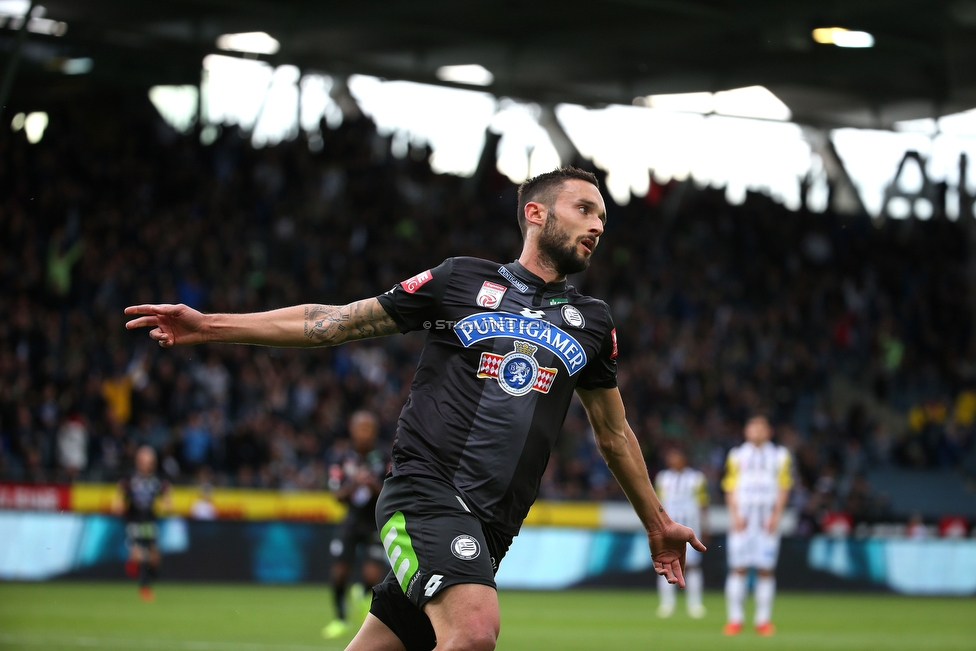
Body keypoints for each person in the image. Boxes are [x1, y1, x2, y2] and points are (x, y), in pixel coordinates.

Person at [125, 167, 705, 651]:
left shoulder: (594, 321)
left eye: (603, 216)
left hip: (493, 525)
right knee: (475, 631)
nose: (598, 225)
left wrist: (656, 522)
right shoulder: (459, 280)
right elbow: (334, 323)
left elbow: (614, 433)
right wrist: (211, 325)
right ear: (536, 213)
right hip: (427, 495)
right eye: (584, 209)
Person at [721, 413, 793, 636]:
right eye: (753, 428)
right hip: (742, 517)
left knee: (765, 569)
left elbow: (784, 486)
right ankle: (735, 619)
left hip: (766, 518)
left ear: (769, 432)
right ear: (746, 432)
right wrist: (734, 515)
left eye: (761, 428)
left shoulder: (780, 456)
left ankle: (763, 620)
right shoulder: (736, 455)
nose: (757, 432)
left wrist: (776, 515)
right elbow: (729, 486)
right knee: (738, 568)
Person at [323, 410, 390, 639]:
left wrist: (372, 485)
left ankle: (361, 593)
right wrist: (354, 483)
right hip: (351, 521)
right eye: (360, 427)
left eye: (368, 428)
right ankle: (340, 619)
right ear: (352, 430)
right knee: (339, 573)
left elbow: (392, 493)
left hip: (375, 522)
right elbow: (337, 496)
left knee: (372, 577)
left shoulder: (385, 457)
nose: (364, 433)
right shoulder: (341, 458)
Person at [654, 446, 708, 619]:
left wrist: (705, 527)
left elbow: (702, 504)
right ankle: (666, 604)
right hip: (668, 529)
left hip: (690, 527)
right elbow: (658, 504)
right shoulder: (663, 478)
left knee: (692, 566)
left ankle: (695, 604)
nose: (672, 460)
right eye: (670, 457)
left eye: (676, 456)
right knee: (665, 564)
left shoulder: (696, 479)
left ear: (684, 458)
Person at [112, 445, 172, 601]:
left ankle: (147, 580)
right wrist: (118, 503)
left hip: (149, 521)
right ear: (138, 461)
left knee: (155, 558)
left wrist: (167, 503)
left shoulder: (157, 479)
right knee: (138, 555)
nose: (148, 463)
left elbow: (167, 492)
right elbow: (119, 492)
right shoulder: (130, 478)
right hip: (134, 520)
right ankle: (144, 586)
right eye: (145, 460)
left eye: (150, 460)